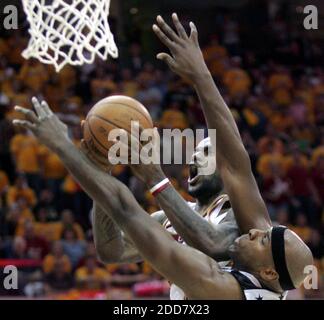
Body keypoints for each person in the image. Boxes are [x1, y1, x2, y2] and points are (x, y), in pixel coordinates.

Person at [12, 14, 313, 300]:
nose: (194, 159)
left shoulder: (237, 227)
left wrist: (68, 148)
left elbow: (213, 240)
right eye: (193, 153)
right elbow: (112, 251)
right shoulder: (249, 248)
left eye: (206, 153)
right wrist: (199, 74)